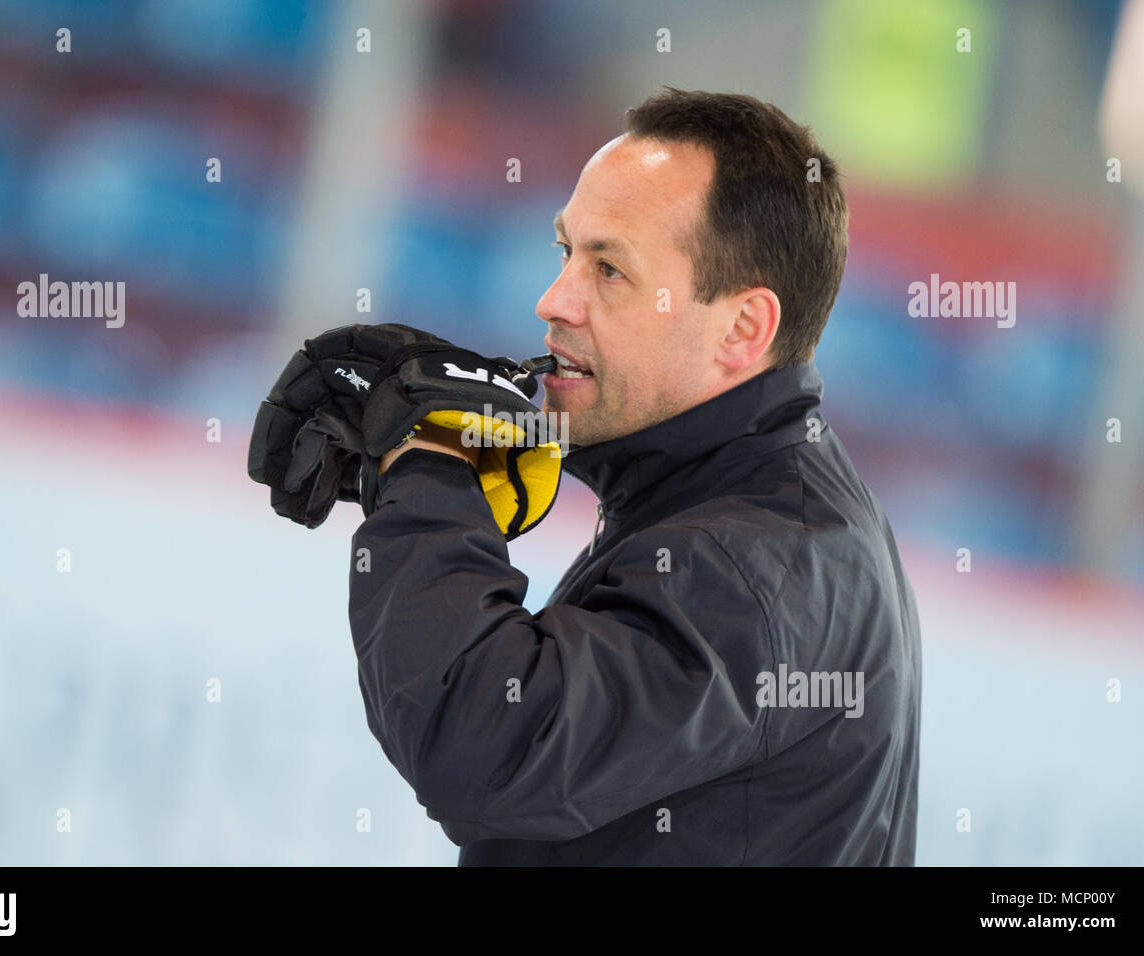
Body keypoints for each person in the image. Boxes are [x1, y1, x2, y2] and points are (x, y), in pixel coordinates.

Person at [255, 87, 921, 865]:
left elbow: (490, 740)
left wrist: (429, 464)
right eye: (566, 252)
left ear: (742, 329)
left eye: (609, 270)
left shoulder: (757, 561)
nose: (553, 300)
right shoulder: (733, 504)